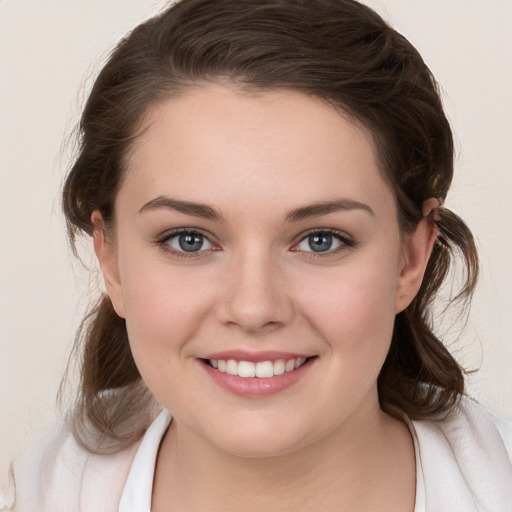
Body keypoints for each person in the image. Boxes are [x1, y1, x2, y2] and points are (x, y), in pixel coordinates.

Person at [10, 0, 512, 510]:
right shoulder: (34, 491)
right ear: (112, 262)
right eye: (189, 239)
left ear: (409, 259)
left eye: (321, 240)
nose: (253, 309)